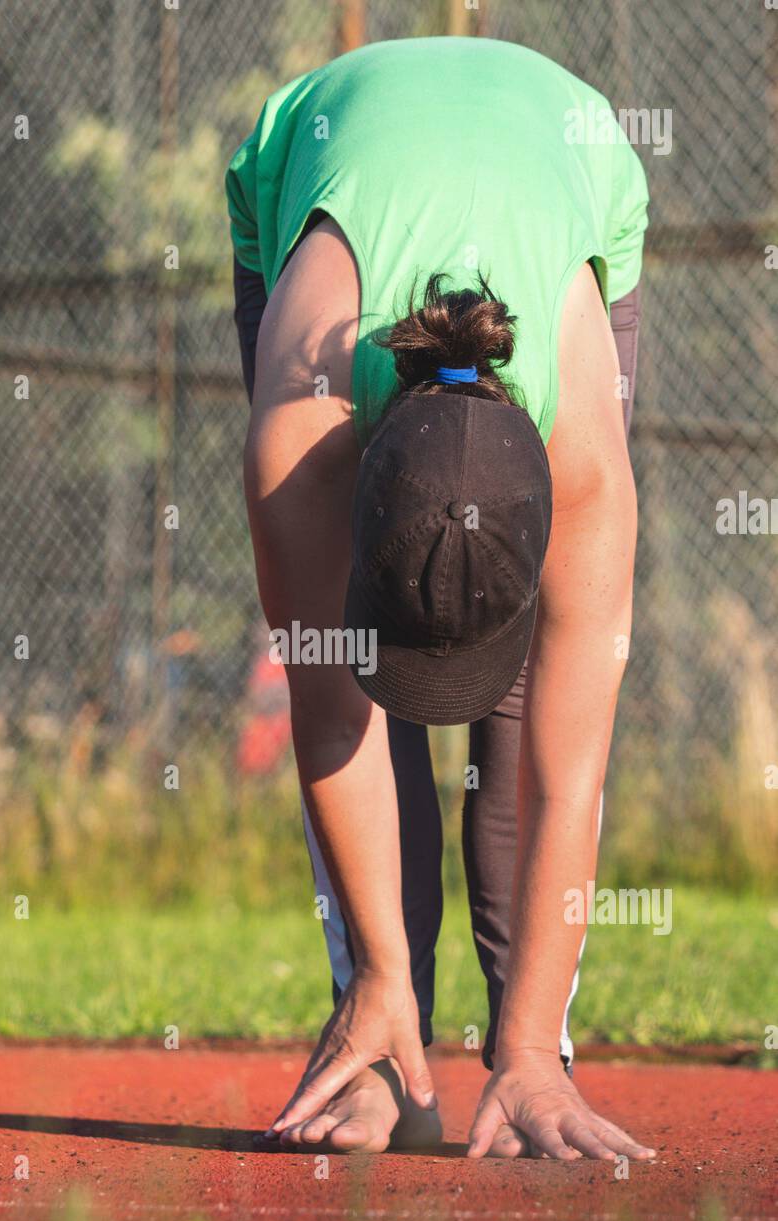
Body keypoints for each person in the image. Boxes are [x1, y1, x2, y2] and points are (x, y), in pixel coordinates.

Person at [226, 36, 654, 1160]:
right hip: (315, 158)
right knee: (368, 690)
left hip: (567, 155)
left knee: (528, 716)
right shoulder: (302, 436)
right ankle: (381, 1041)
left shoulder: (588, 474)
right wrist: (374, 967)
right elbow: (329, 712)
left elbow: (574, 770)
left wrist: (523, 1046)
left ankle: (532, 1059)